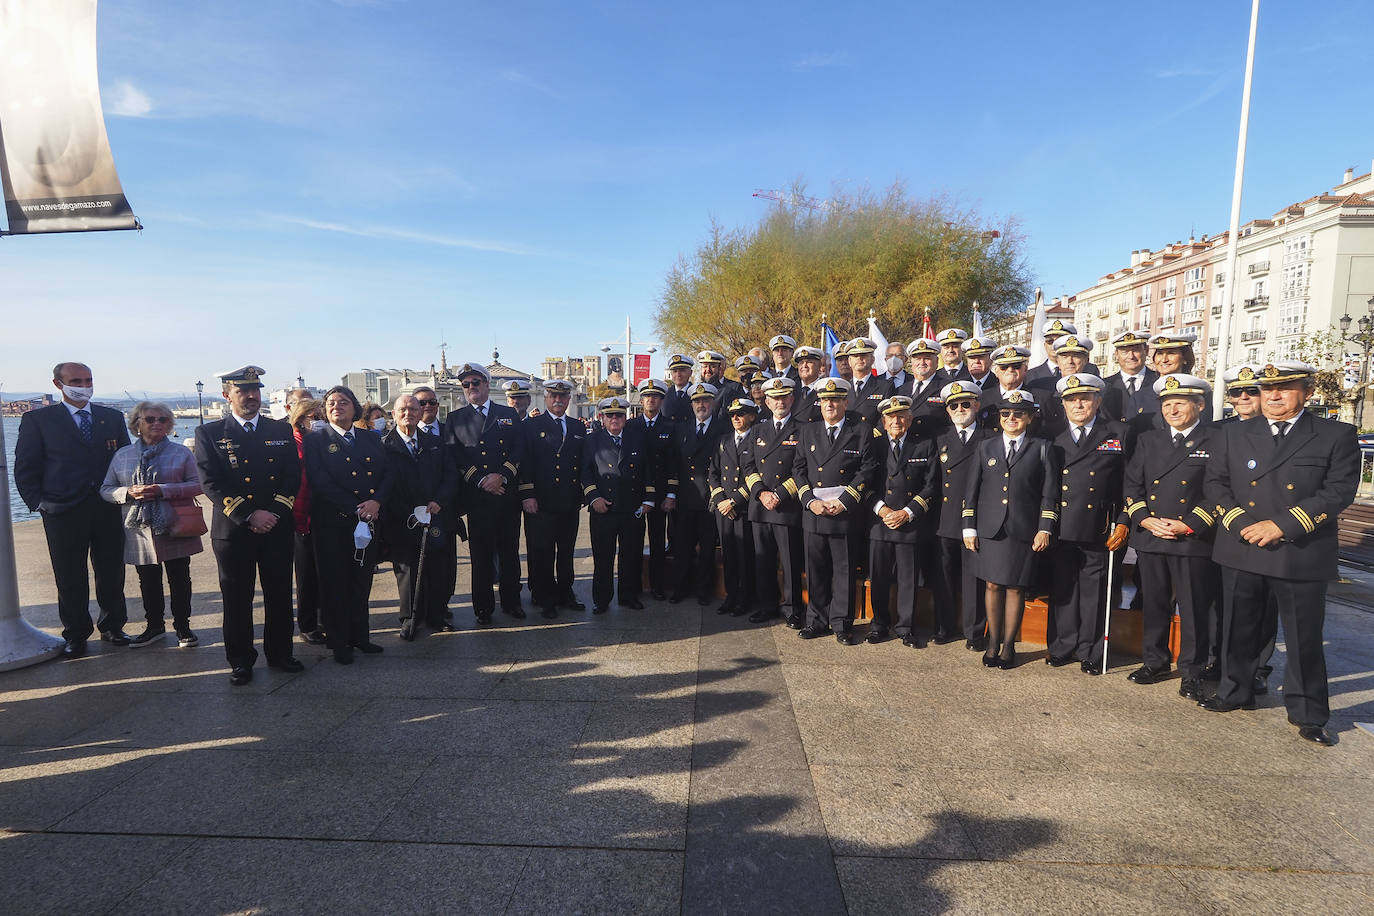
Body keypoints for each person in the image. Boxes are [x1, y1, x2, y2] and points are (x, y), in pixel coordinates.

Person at [1201, 361, 1360, 747]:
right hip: (1243, 545)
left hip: (1300, 550)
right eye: (1266, 390)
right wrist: (1241, 524)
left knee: (1304, 638)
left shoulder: (1334, 434)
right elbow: (1216, 485)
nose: (1273, 396)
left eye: (1285, 388)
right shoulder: (1233, 434)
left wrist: (1281, 526)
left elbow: (1338, 492)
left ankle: (1308, 712)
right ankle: (1233, 690)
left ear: (1306, 391)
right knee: (1238, 628)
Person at [14, 361, 132, 657]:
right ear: (58, 384)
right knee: (69, 575)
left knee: (111, 571)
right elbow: (26, 467)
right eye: (76, 381)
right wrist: (39, 503)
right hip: (62, 510)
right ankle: (77, 634)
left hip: (106, 506)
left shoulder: (112, 417)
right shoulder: (38, 420)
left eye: (88, 380)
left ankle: (113, 626)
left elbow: (125, 460)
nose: (83, 386)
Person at [195, 366, 304, 685]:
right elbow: (210, 483)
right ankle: (240, 660)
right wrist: (249, 515)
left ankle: (281, 653)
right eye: (244, 391)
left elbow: (291, 478)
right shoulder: (210, 434)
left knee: (280, 593)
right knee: (236, 597)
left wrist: (272, 514)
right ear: (227, 395)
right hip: (233, 530)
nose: (252, 396)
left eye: (256, 390)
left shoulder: (279, 431)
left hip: (276, 526)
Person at [1117, 374, 1219, 700]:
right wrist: (1144, 520)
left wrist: (1190, 523)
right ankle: (1155, 661)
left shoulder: (1214, 440)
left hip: (1191, 537)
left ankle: (1192, 672)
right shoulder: (1149, 441)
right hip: (1153, 536)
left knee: (1193, 609)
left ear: (1199, 405)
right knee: (1155, 603)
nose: (1172, 410)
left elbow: (1219, 490)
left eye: (1180, 403)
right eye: (1167, 404)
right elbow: (1132, 485)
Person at [962, 390, 1059, 670]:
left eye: (1018, 414)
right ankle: (992, 642)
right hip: (990, 529)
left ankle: (1008, 646)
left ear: (1029, 417)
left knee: (1016, 587)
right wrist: (969, 527)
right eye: (1005, 414)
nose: (1011, 418)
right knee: (992, 585)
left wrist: (1045, 528)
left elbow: (1049, 494)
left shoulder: (1042, 447)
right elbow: (972, 491)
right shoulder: (986, 447)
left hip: (1023, 530)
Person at [100, 401, 203, 648]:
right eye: (149, 419)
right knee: (147, 580)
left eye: (162, 420)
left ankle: (183, 626)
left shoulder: (181, 453)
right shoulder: (122, 455)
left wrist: (163, 490)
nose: (157, 423)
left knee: (180, 577)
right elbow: (105, 489)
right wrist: (127, 493)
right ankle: (154, 626)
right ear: (137, 425)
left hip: (175, 524)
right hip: (139, 529)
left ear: (169, 425)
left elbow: (199, 485)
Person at [1046, 374, 1128, 675]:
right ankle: (1062, 645)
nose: (1078, 403)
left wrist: (1123, 521)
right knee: (1064, 588)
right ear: (1063, 404)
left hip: (1099, 527)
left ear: (1098, 401)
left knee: (1095, 593)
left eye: (1085, 398)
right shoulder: (1052, 435)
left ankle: (1091, 651)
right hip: (1062, 525)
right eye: (1071, 399)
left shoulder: (1117, 432)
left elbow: (1129, 484)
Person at [304, 384, 393, 663]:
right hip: (334, 523)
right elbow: (320, 481)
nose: (336, 406)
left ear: (354, 408)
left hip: (368, 521)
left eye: (343, 402)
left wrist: (377, 501)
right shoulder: (315, 440)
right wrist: (357, 508)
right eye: (331, 402)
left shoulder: (371, 438)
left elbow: (388, 474)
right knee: (334, 583)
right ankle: (339, 641)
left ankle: (360, 636)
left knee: (361, 580)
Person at [793, 377, 880, 645]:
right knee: (816, 570)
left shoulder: (861, 431)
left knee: (843, 571)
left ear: (845, 402)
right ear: (819, 404)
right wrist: (809, 500)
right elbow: (798, 469)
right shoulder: (809, 432)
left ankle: (841, 623)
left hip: (843, 511)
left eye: (835, 400)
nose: (830, 404)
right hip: (815, 512)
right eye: (825, 400)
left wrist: (845, 500)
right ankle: (816, 620)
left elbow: (868, 469)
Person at [445, 362, 526, 624]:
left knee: (510, 553)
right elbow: (455, 456)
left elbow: (518, 449)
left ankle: (512, 602)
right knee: (480, 556)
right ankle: (482, 607)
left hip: (506, 495)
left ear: (486, 384)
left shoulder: (508, 414)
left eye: (475, 383)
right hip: (478, 499)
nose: (471, 388)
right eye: (466, 384)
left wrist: (501, 475)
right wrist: (481, 480)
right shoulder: (455, 419)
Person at [381, 394, 460, 639]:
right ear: (393, 414)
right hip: (402, 519)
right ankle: (409, 618)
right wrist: (407, 510)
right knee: (407, 571)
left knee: (438, 569)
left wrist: (439, 502)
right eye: (403, 410)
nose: (409, 413)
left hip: (435, 515)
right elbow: (383, 484)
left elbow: (450, 476)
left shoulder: (435, 442)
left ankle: (436, 615)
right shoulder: (385, 446)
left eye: (414, 409)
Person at [865, 396, 938, 646]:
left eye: (901, 416)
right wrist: (882, 509)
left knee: (909, 579)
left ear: (909, 420)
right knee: (879, 577)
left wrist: (907, 512)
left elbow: (931, 486)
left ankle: (906, 626)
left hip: (909, 522)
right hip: (880, 522)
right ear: (883, 423)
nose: (896, 421)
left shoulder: (925, 445)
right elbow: (865, 484)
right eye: (891, 417)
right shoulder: (874, 447)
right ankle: (879, 625)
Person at [519, 379, 587, 618]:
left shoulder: (578, 427)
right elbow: (525, 463)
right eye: (553, 396)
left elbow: (583, 464)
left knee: (566, 550)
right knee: (542, 551)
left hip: (569, 501)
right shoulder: (532, 425)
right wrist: (527, 495)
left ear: (569, 399)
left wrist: (583, 495)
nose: (558, 400)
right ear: (546, 398)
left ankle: (566, 592)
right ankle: (544, 596)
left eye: (562, 397)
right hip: (541, 501)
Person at [743, 377, 806, 626]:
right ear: (767, 402)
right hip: (760, 505)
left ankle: (792, 609)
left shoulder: (803, 429)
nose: (780, 402)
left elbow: (803, 468)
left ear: (791, 399)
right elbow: (748, 466)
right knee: (763, 560)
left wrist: (779, 493)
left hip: (786, 505)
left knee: (790, 561)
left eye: (784, 397)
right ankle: (767, 605)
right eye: (775, 398)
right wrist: (761, 492)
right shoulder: (757, 430)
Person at [934, 382, 992, 650]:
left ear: (977, 406)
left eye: (966, 404)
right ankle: (944, 627)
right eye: (954, 405)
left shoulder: (990, 438)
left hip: (976, 520)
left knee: (973, 580)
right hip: (944, 518)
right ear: (947, 410)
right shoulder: (940, 439)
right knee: (943, 578)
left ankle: (974, 632)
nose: (960, 409)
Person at [582, 397, 653, 613]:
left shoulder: (638, 438)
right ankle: (601, 599)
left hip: (632, 509)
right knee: (603, 557)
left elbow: (648, 470)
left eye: (619, 415)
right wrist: (594, 498)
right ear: (602, 418)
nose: (615, 419)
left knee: (631, 555)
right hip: (604, 508)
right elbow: (585, 472)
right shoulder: (591, 440)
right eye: (610, 415)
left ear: (625, 418)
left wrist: (648, 499)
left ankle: (628, 595)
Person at [668, 383, 726, 604]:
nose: (701, 405)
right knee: (682, 546)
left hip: (710, 497)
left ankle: (704, 590)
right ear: (691, 404)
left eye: (705, 401)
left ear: (712, 403)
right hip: (685, 496)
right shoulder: (681, 429)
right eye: (697, 401)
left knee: (708, 547)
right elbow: (674, 464)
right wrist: (671, 494)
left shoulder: (723, 428)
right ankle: (680, 588)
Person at [411, 384, 457, 624]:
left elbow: (453, 472)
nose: (428, 406)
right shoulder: (400, 435)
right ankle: (417, 610)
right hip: (413, 513)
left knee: (445, 566)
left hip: (443, 509)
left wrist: (440, 500)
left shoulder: (450, 431)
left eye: (432, 402)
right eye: (422, 402)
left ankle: (441, 605)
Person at [627, 379, 677, 600]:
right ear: (641, 399)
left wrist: (671, 494)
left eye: (655, 396)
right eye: (647, 396)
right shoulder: (630, 426)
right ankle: (635, 585)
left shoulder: (670, 426)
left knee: (658, 542)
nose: (651, 400)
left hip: (659, 493)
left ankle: (657, 585)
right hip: (634, 494)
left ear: (661, 400)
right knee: (633, 542)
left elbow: (675, 463)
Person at [710, 397, 758, 616]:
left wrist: (734, 501)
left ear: (752, 416)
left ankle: (745, 597)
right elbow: (713, 473)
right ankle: (731, 595)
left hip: (743, 507)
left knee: (745, 556)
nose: (736, 418)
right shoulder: (723, 440)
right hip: (724, 509)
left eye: (741, 413)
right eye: (732, 415)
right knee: (728, 554)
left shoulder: (758, 439)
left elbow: (759, 475)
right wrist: (721, 501)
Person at [288, 398, 327, 645]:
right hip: (300, 515)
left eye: (321, 417)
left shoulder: (321, 442)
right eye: (314, 417)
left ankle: (325, 618)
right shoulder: (293, 442)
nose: (319, 422)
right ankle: (308, 623)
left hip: (323, 513)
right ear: (301, 418)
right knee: (306, 575)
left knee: (325, 571)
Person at [1101, 330, 1160, 436]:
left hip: (1150, 445)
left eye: (1136, 350)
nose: (1131, 356)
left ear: (1146, 350)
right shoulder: (1104, 385)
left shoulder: (1159, 382)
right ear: (1116, 354)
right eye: (1124, 351)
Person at [1026, 319, 1100, 383]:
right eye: (1050, 341)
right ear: (1044, 345)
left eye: (1059, 340)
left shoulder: (1090, 370)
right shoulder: (1031, 375)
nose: (1054, 344)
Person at [902, 338, 948, 439]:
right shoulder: (902, 389)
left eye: (927, 358)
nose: (922, 362)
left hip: (934, 446)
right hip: (907, 446)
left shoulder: (946, 388)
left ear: (936, 361)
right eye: (918, 359)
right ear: (911, 362)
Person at [846, 338, 893, 425]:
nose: (859, 359)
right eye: (855, 356)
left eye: (863, 355)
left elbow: (888, 416)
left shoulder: (885, 386)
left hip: (871, 437)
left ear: (872, 359)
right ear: (849, 361)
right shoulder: (844, 388)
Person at [699, 351, 743, 421]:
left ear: (719, 369)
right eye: (705, 366)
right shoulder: (694, 391)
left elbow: (723, 420)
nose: (708, 370)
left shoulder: (727, 392)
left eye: (713, 366)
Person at [792, 346, 825, 421]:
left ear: (819, 365)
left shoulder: (824, 389)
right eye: (801, 362)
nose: (804, 366)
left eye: (809, 362)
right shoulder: (790, 389)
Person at [662, 353, 697, 423]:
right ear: (671, 374)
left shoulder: (696, 394)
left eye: (682, 370)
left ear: (690, 373)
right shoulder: (664, 395)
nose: (678, 375)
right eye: (675, 371)